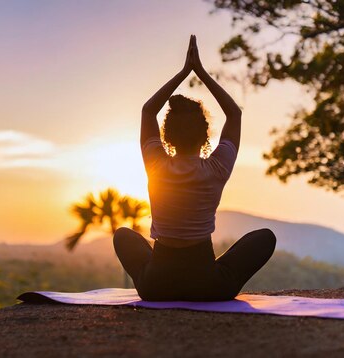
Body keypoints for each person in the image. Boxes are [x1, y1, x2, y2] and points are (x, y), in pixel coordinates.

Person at [113, 35, 276, 301]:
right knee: (265, 237)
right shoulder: (217, 167)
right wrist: (201, 72)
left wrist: (183, 73)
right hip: (208, 285)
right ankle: (211, 272)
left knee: (122, 236)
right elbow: (234, 114)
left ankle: (159, 274)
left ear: (166, 137)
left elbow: (147, 111)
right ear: (205, 137)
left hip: (156, 286)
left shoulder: (156, 164)